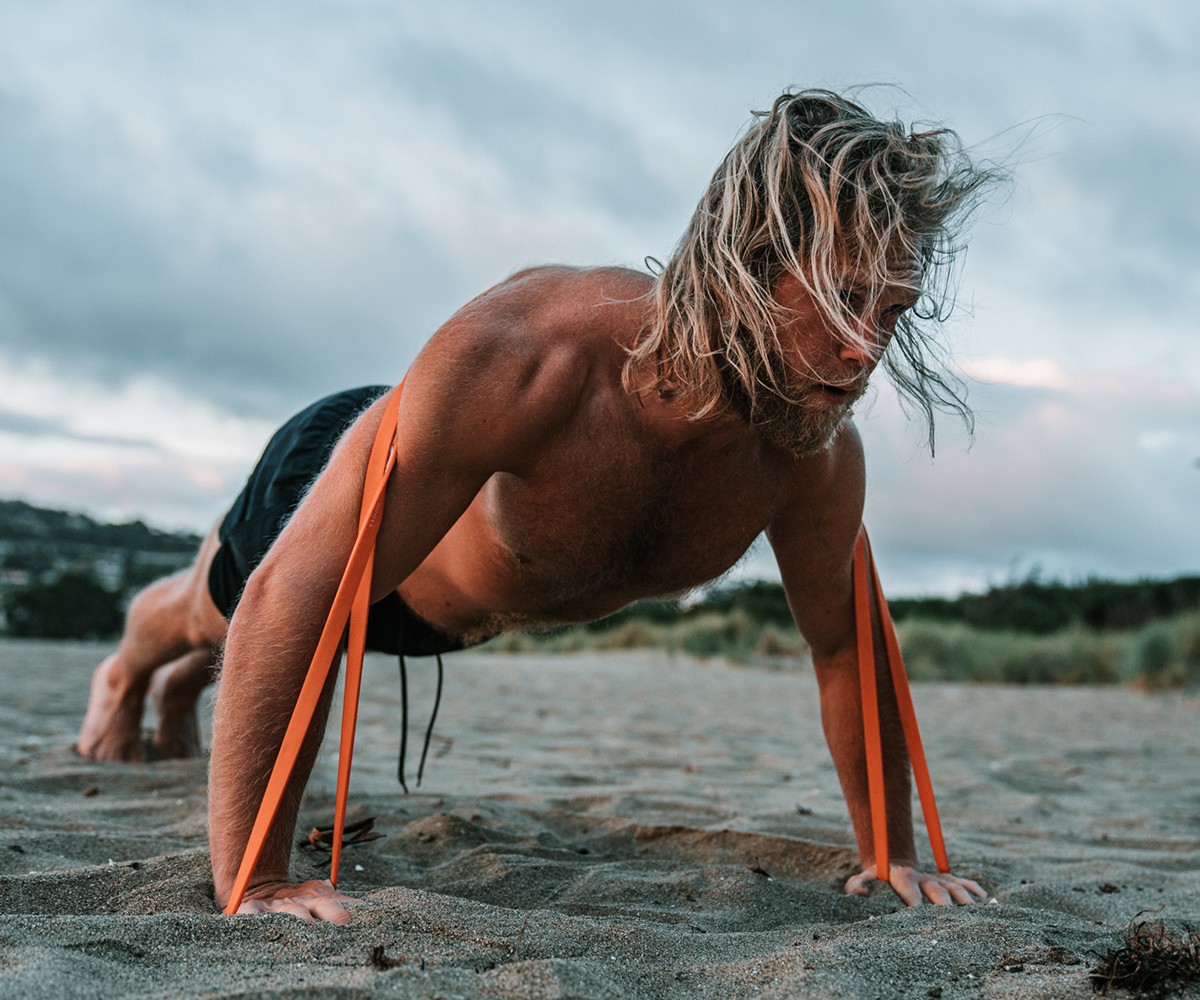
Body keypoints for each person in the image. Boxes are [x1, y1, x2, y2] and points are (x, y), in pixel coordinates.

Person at [77, 89, 1000, 922]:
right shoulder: (528, 356)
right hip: (360, 518)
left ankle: (189, 683)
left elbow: (845, 645)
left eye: (893, 312)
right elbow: (292, 600)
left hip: (462, 616)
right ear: (751, 265)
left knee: (226, 645)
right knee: (212, 610)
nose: (866, 351)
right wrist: (260, 878)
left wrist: (893, 857)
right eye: (844, 301)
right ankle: (127, 678)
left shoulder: (812, 453)